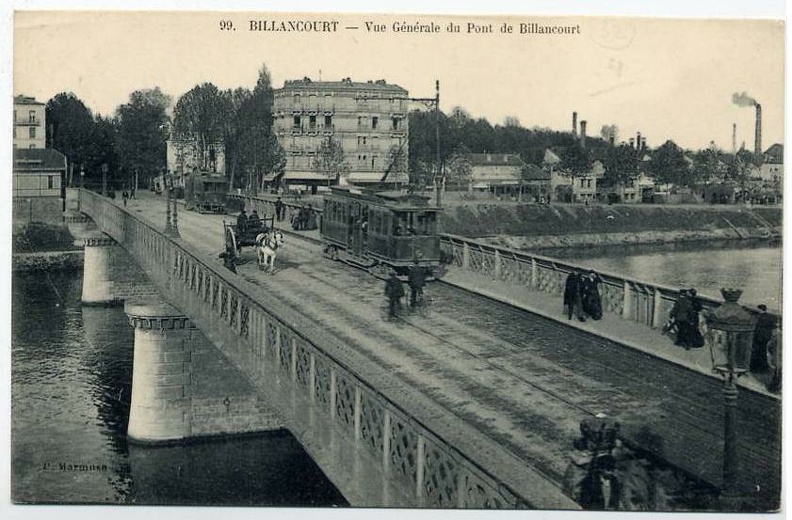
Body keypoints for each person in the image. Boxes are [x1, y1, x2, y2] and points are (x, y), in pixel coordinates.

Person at [751, 304, 776, 373]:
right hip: (766, 338)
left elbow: (755, 327)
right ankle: (764, 368)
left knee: (756, 353)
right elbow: (773, 327)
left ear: (760, 309)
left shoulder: (758, 317)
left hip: (758, 338)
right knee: (763, 352)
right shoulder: (770, 317)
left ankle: (755, 368)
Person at [767, 323, 782, 393]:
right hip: (779, 357)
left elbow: (770, 345)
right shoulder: (779, 334)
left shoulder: (778, 334)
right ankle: (775, 388)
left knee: (778, 372)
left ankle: (775, 388)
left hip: (778, 357)